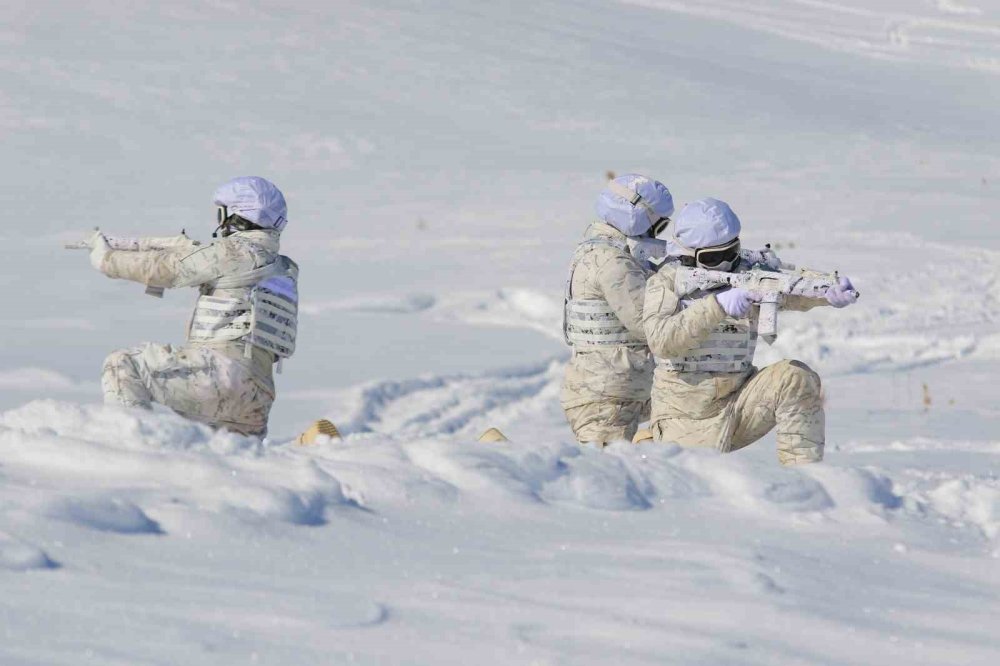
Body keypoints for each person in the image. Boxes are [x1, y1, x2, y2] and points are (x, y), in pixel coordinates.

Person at [641, 198, 857, 465]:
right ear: (688, 254)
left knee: (795, 377)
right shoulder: (666, 282)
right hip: (687, 415)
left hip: (742, 402)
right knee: (701, 482)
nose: (726, 263)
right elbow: (662, 341)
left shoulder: (748, 273)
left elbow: (788, 288)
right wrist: (717, 306)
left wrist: (826, 292)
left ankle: (804, 477)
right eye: (713, 258)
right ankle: (646, 447)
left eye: (732, 252)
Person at [89, 176, 298, 437]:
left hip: (221, 375)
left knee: (123, 365)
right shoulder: (285, 269)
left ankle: (128, 448)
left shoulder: (233, 252)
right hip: (258, 396)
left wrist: (106, 259)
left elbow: (165, 270)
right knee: (228, 455)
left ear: (236, 215)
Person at [559, 174, 674, 445]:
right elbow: (649, 326)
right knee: (603, 468)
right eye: (660, 225)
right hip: (606, 400)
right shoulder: (614, 262)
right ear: (642, 218)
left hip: (615, 391)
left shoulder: (604, 251)